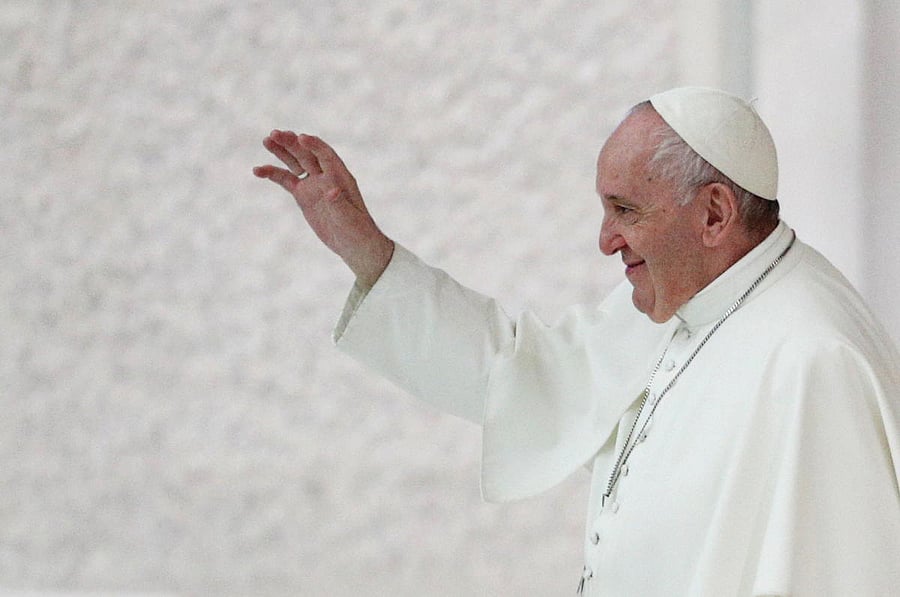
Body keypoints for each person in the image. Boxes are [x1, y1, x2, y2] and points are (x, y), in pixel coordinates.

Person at [253, 87, 900, 596]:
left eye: (625, 211)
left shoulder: (817, 360)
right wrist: (365, 251)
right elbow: (517, 371)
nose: (605, 240)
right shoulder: (679, 303)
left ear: (714, 213)